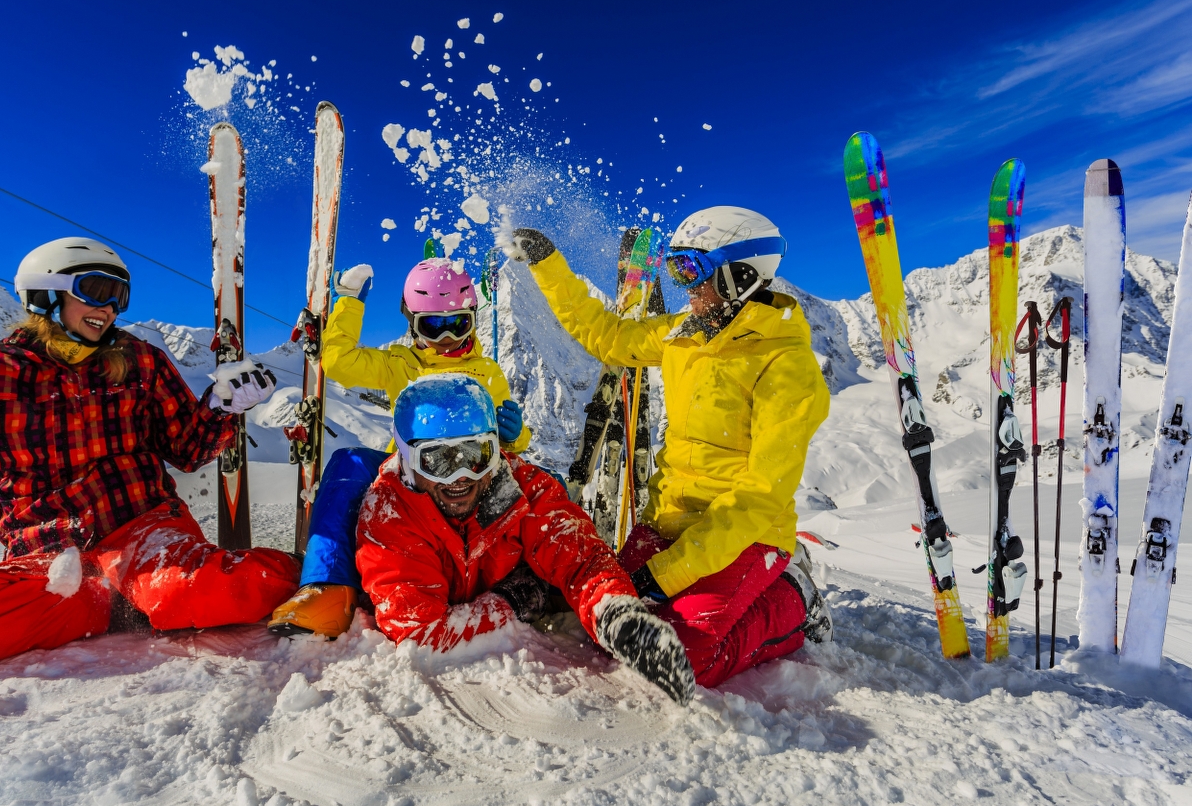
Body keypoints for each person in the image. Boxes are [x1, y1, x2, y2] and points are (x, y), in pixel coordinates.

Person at [0, 237, 299, 670]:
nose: (111, 308)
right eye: (98, 290)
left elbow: (188, 450)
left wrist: (219, 408)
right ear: (45, 292)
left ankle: (314, 575)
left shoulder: (140, 361)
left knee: (199, 590)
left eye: (120, 297)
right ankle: (116, 603)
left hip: (143, 529)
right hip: (52, 560)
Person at [504, 206, 833, 688]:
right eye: (677, 268)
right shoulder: (684, 335)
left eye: (693, 270)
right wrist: (547, 263)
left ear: (741, 274)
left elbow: (760, 497)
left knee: (683, 659)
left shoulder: (785, 365)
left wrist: (664, 576)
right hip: (670, 521)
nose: (685, 286)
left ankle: (792, 598)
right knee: (609, 625)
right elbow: (606, 336)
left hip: (745, 536)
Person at [354, 373, 696, 705]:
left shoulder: (520, 487)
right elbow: (421, 634)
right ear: (407, 459)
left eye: (476, 456)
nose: (460, 477)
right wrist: (513, 601)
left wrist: (615, 613)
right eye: (438, 461)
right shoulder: (390, 514)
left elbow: (581, 556)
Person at [268, 257, 531, 639]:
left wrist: (514, 435)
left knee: (532, 481)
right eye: (433, 327)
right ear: (411, 322)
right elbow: (339, 362)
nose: (447, 340)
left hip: (472, 472)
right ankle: (327, 586)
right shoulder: (400, 363)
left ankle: (538, 577)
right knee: (349, 462)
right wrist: (349, 303)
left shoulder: (488, 372)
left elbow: (508, 445)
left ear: (472, 318)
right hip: (411, 471)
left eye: (458, 325)